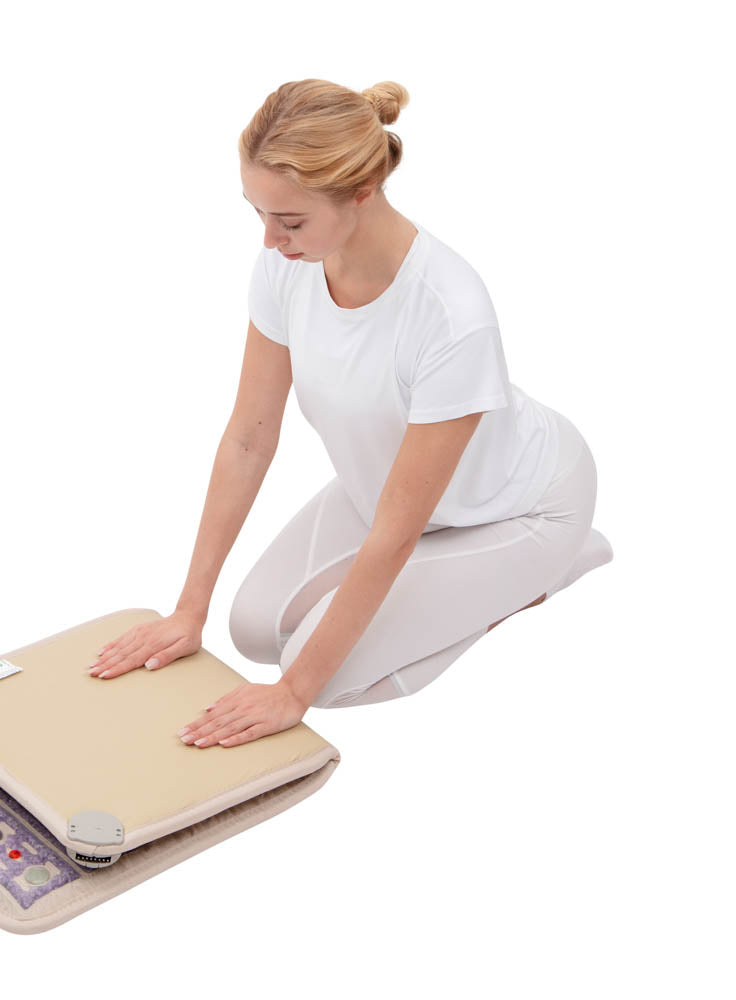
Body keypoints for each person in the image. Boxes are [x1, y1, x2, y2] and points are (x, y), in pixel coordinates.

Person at [84, 78, 613, 748]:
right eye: (260, 215)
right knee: (253, 631)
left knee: (325, 679)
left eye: (291, 220)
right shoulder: (288, 265)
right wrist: (189, 612)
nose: (272, 240)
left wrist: (295, 693)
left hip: (518, 508)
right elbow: (249, 438)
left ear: (362, 190)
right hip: (389, 488)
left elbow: (396, 529)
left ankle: (538, 576)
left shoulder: (450, 311)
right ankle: (462, 591)